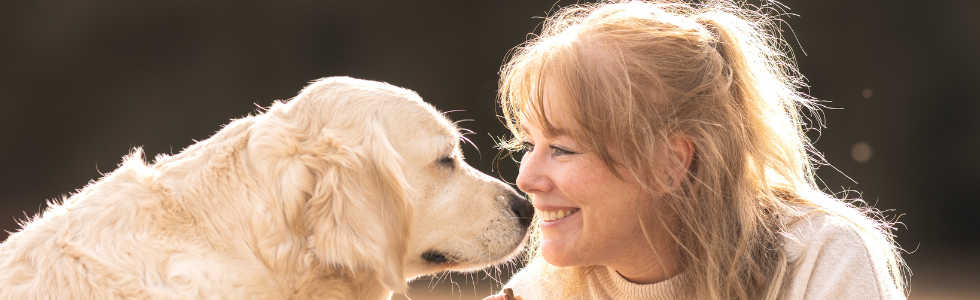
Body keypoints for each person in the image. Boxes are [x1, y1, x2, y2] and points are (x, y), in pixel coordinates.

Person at [483, 1, 907, 299]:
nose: (525, 179)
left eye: (561, 148)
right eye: (528, 144)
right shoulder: (537, 292)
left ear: (669, 163)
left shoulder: (823, 262)